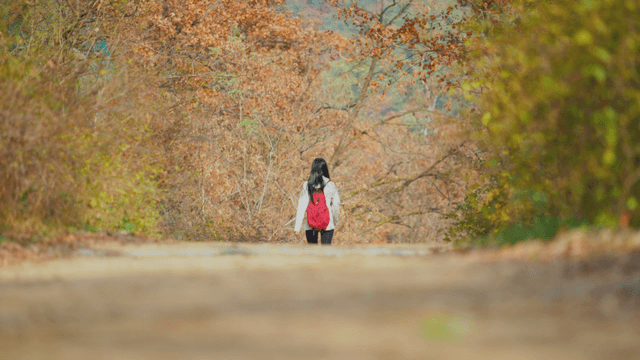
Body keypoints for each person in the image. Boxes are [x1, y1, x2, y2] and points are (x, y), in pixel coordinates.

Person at [294, 158, 340, 245]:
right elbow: (336, 204)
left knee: (311, 254)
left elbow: (301, 206)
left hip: (310, 223)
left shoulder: (307, 184)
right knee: (326, 253)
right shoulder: (330, 185)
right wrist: (334, 221)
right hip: (328, 224)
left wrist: (297, 227)